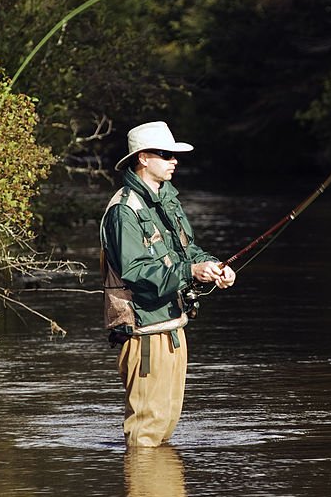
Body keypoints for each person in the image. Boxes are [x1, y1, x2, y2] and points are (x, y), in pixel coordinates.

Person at [100, 121, 236, 447]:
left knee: (166, 427)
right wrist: (192, 271)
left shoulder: (167, 200)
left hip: (173, 324)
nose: (174, 161)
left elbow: (188, 251)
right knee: (146, 432)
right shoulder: (124, 211)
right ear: (143, 158)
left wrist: (214, 266)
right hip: (144, 332)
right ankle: (145, 495)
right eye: (166, 154)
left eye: (175, 155)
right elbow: (137, 272)